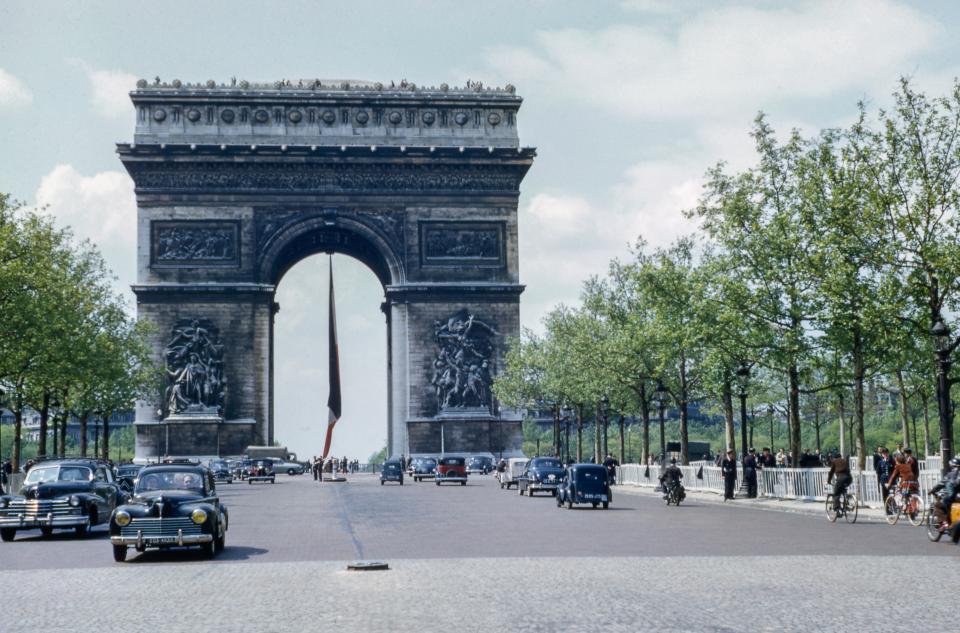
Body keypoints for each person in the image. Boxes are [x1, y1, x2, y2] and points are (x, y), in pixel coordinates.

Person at [930, 456, 960, 529]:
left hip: (953, 497)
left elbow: (941, 483)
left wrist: (933, 490)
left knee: (938, 504)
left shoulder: (951, 474)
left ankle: (944, 523)